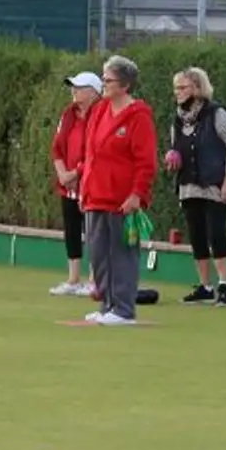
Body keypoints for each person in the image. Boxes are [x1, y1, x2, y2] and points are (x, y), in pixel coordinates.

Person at [78, 55, 158, 327]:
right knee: (98, 253)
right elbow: (90, 152)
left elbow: (145, 161)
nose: (104, 83)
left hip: (123, 198)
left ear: (124, 85)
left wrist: (137, 193)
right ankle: (107, 305)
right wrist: (85, 188)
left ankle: (124, 309)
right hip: (95, 194)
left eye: (108, 79)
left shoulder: (139, 116)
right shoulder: (99, 110)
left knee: (121, 254)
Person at [165, 66, 226, 307]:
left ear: (197, 88)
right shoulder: (177, 119)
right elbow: (176, 146)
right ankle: (205, 287)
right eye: (176, 87)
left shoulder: (216, 113)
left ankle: (225, 285)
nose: (177, 92)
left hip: (214, 183)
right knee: (197, 236)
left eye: (183, 87)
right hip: (189, 184)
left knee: (216, 233)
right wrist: (172, 158)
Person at [48, 71, 102, 297]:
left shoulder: (100, 113)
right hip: (68, 184)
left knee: (93, 232)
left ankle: (93, 279)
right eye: (73, 87)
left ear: (93, 92)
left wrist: (76, 173)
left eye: (79, 88)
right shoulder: (68, 114)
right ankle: (73, 279)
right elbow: (57, 146)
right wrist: (62, 174)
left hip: (91, 183)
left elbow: (96, 150)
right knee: (71, 229)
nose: (74, 91)